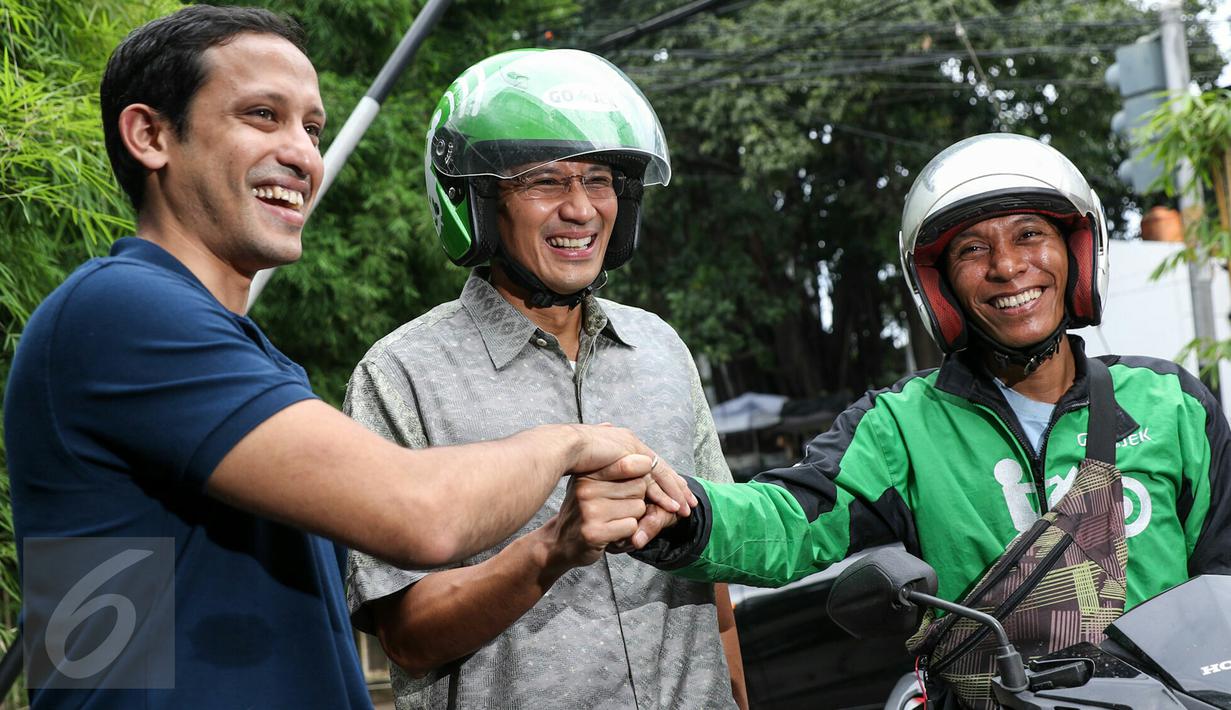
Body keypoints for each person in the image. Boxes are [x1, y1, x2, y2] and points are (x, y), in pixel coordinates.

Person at [3, 8, 693, 709]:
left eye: (311, 128)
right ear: (150, 135)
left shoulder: (235, 354)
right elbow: (421, 513)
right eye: (262, 115)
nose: (303, 154)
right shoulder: (118, 313)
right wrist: (574, 440)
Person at [630, 133, 1231, 706]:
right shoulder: (902, 427)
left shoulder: (1169, 402)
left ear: (1073, 253)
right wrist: (682, 514)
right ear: (939, 287)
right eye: (973, 249)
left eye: (1029, 235)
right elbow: (792, 522)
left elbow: (1223, 583)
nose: (1007, 265)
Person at [344, 49, 746, 709]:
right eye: (543, 182)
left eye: (599, 179)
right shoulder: (402, 376)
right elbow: (408, 636)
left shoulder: (660, 349)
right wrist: (550, 549)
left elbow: (717, 587)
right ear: (476, 199)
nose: (581, 209)